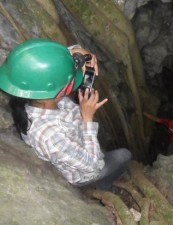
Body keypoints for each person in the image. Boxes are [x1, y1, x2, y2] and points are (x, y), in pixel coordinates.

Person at [0, 38, 131, 191]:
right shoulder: (48, 134)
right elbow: (94, 166)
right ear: (57, 90)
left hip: (78, 147)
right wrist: (87, 118)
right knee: (124, 155)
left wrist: (79, 52)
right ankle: (104, 185)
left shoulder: (38, 94)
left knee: (101, 150)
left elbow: (49, 60)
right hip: (83, 173)